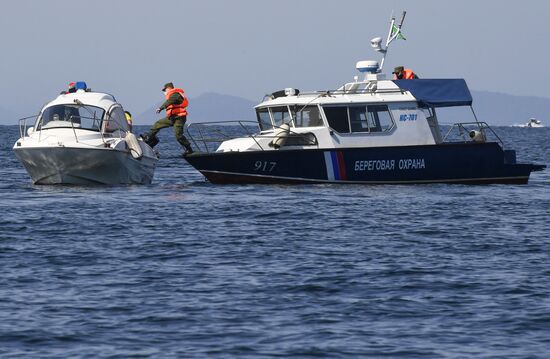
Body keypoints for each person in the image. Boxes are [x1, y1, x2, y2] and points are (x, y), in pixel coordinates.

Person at [141, 82, 193, 155]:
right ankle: (148, 137)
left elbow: (169, 102)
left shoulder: (176, 95)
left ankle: (189, 149)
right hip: (172, 117)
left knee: (178, 135)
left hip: (179, 118)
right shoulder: (172, 94)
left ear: (168, 89)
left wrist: (160, 108)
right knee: (158, 124)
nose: (164, 92)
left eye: (165, 90)